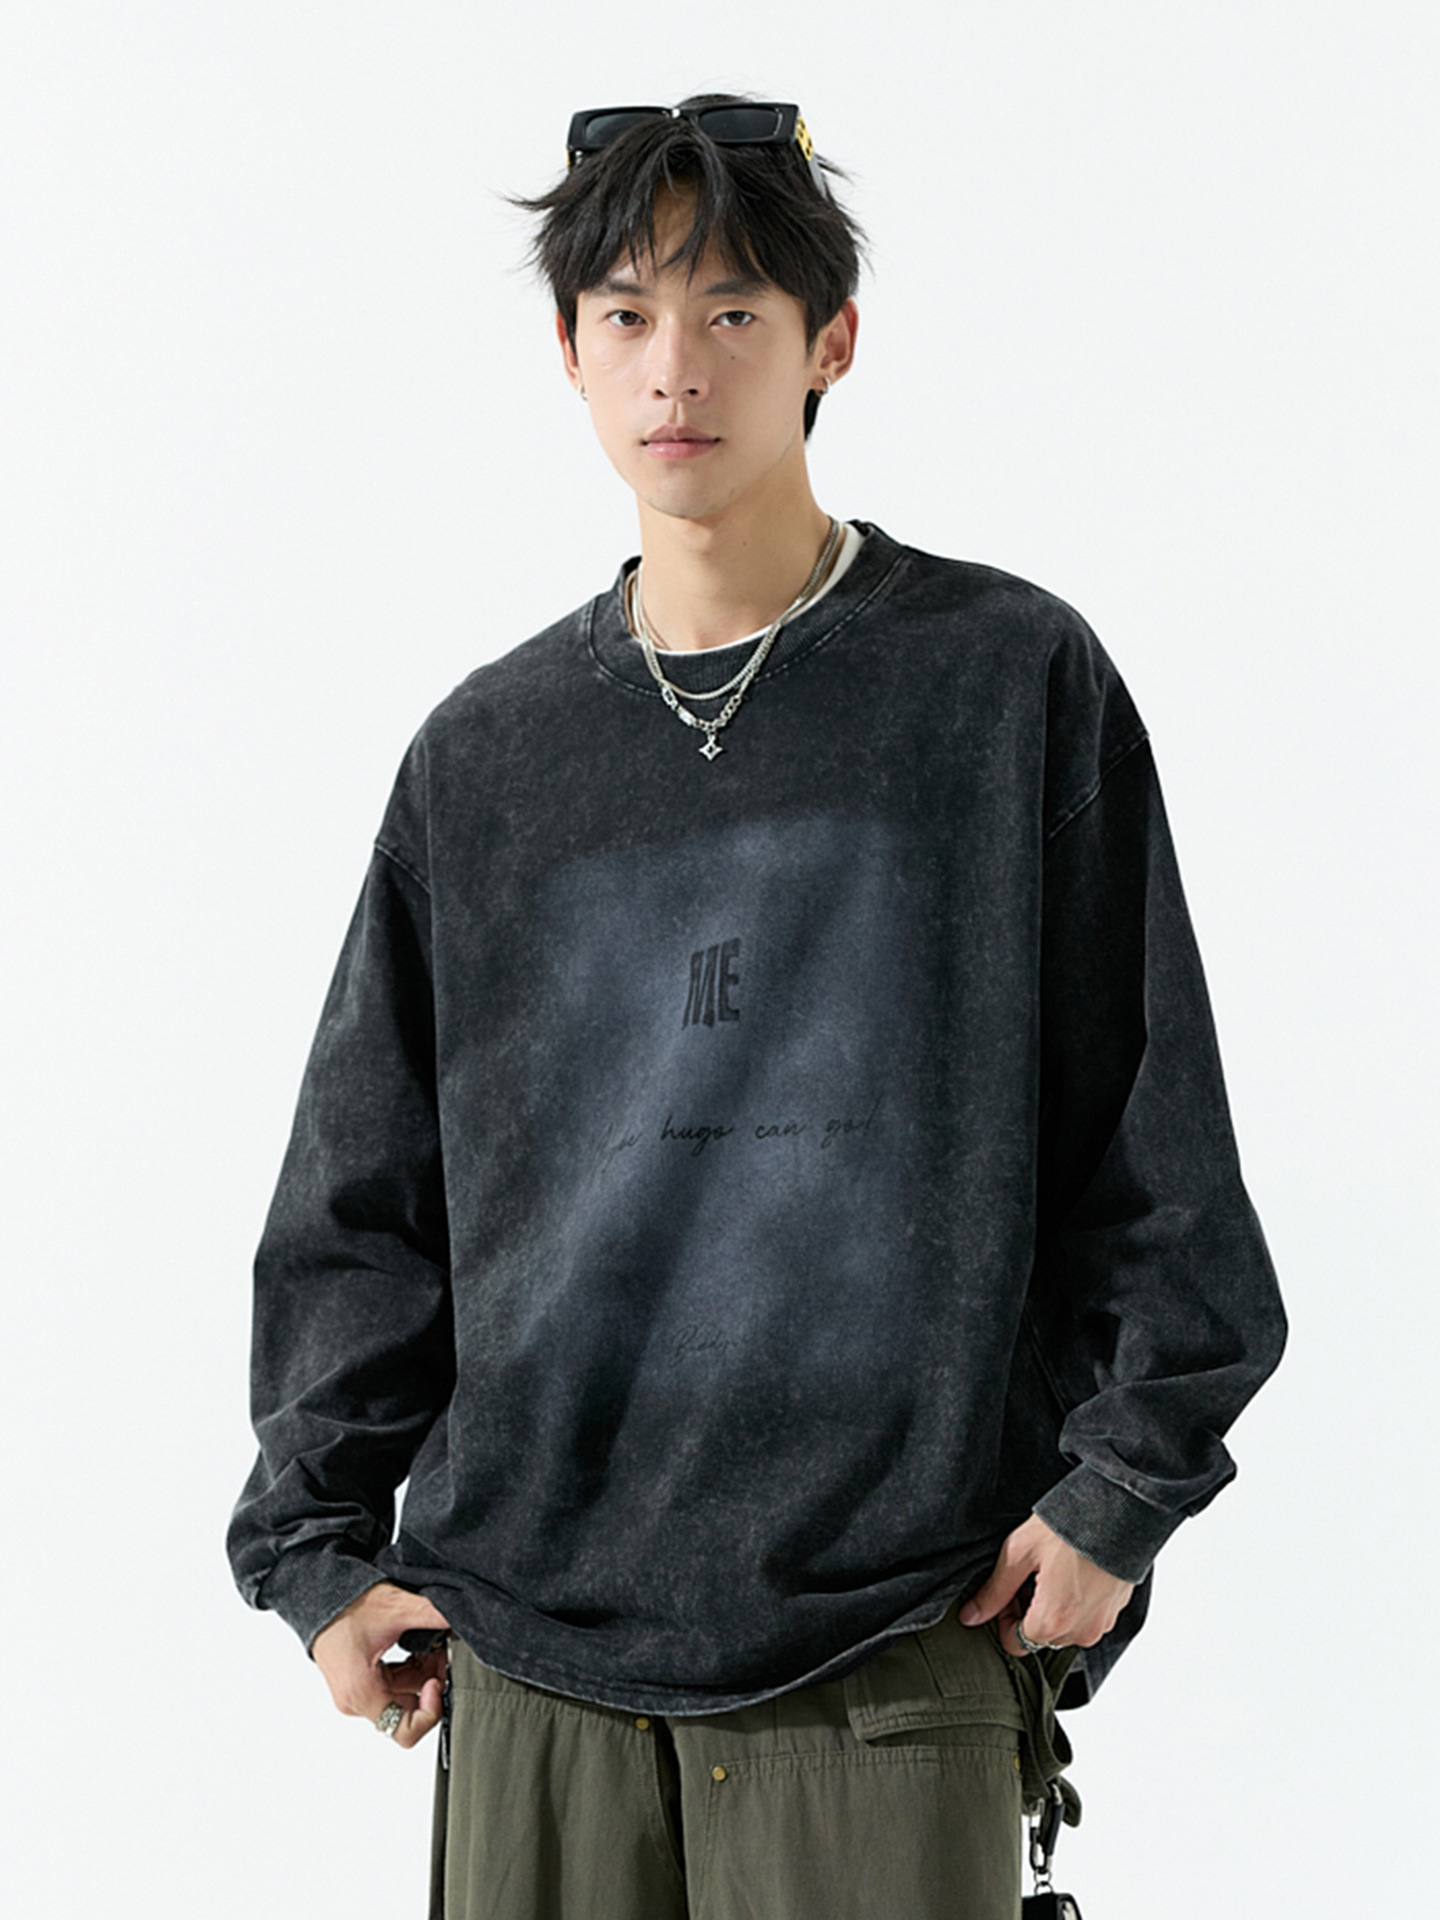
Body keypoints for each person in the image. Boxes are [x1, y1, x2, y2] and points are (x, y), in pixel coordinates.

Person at [229, 96, 1285, 1919]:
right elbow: (363, 1194)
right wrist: (315, 1549)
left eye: (732, 311)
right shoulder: (488, 756)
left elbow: (1151, 1127)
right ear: (568, 353)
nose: (677, 368)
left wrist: (1122, 1491)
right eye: (627, 315)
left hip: (897, 1639)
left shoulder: (1001, 683)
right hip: (533, 1661)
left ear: (830, 341)